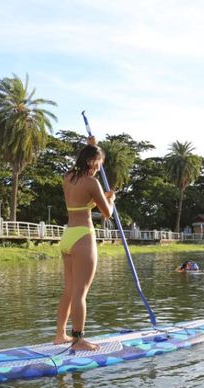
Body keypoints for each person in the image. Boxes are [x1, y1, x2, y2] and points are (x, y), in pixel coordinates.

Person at [54, 136, 115, 351]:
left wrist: (91, 147)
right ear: (92, 161)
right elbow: (107, 214)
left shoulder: (68, 177)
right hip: (83, 237)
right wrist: (110, 199)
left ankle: (60, 335)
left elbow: (84, 164)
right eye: (99, 162)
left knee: (69, 290)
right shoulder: (91, 182)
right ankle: (78, 340)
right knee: (80, 292)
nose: (100, 167)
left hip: (68, 236)